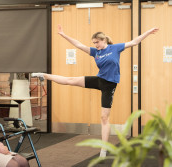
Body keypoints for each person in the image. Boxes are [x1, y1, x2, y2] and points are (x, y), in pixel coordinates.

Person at [32, 25, 159, 157]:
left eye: (97, 42)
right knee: (70, 80)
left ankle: (103, 149)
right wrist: (63, 35)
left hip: (109, 85)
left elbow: (134, 42)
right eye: (94, 43)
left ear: (103, 40)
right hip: (99, 80)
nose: (95, 45)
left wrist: (148, 32)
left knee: (104, 117)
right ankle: (44, 75)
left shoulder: (115, 48)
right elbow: (79, 45)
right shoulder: (95, 52)